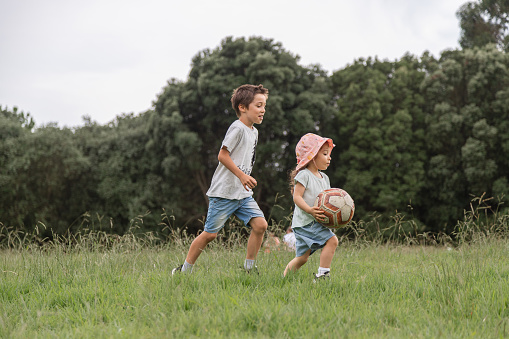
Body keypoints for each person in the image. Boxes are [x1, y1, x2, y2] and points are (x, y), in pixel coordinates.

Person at [172, 84, 269, 274]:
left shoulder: (253, 131)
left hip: (242, 193)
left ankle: (249, 269)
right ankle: (183, 271)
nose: (263, 110)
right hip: (224, 192)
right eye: (258, 105)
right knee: (210, 235)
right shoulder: (238, 128)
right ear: (242, 107)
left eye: (264, 106)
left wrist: (245, 178)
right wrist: (242, 176)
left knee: (261, 225)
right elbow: (222, 155)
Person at [283, 133, 339, 281]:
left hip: (315, 222)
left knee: (302, 258)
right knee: (332, 241)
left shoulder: (325, 178)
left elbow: (327, 203)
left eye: (329, 154)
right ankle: (323, 276)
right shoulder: (304, 175)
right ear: (312, 156)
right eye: (325, 154)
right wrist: (309, 210)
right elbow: (296, 197)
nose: (329, 157)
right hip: (306, 223)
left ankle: (284, 280)